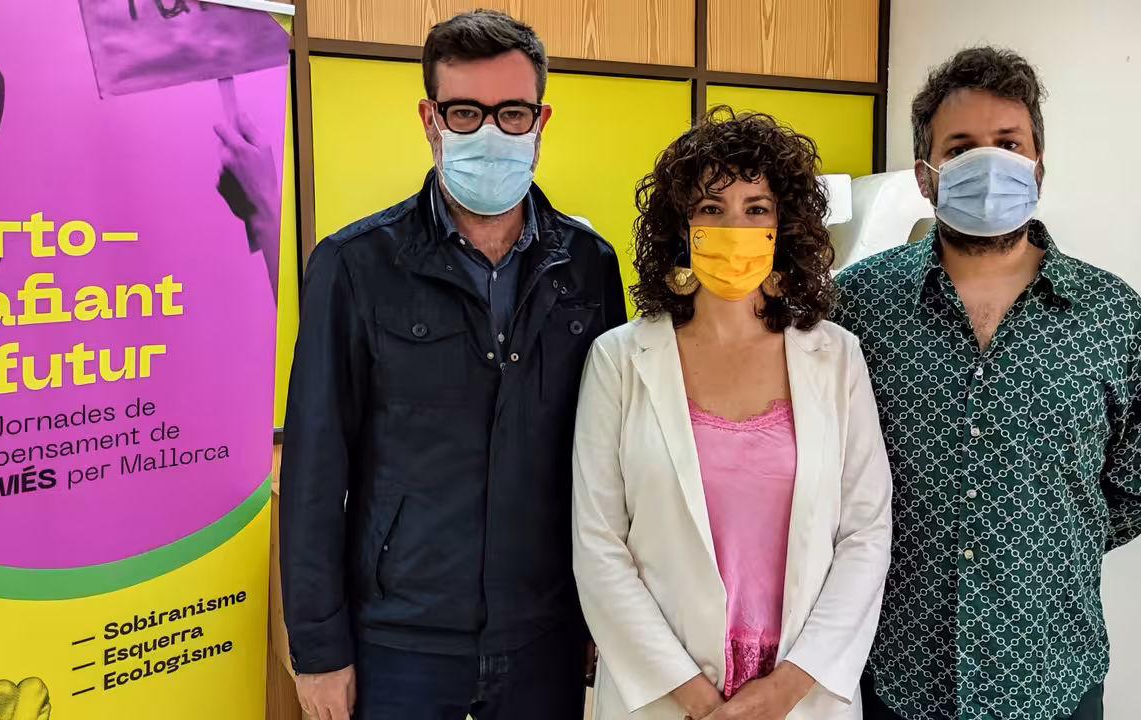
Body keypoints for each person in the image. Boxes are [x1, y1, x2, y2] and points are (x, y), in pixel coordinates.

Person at [279, 9, 627, 720]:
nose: (490, 133)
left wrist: (603, 619)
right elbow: (315, 468)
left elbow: (611, 458)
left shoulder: (589, 267)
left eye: (512, 112)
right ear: (430, 120)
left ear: (541, 121)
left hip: (545, 635)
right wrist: (317, 649)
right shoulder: (354, 266)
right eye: (466, 112)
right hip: (399, 641)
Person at [833, 47, 1141, 720]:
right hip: (896, 675)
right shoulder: (858, 306)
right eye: (962, 148)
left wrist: (1042, 540)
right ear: (925, 176)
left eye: (1008, 144)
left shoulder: (1112, 315)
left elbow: (1133, 485)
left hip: (1051, 676)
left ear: (1038, 166)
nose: (990, 163)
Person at [572, 106, 892, 720]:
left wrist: (786, 688)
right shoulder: (620, 360)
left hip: (799, 694)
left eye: (757, 209)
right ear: (681, 226)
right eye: (711, 208)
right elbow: (599, 545)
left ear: (784, 226)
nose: (734, 227)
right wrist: (696, 698)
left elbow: (865, 533)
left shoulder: (836, 357)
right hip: (666, 698)